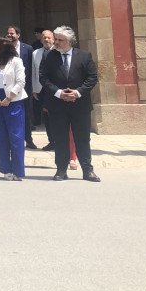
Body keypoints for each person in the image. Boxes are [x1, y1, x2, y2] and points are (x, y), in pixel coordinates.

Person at [40, 26, 100, 182]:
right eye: (56, 39)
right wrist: (59, 93)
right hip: (57, 105)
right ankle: (61, 170)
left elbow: (92, 78)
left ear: (70, 42)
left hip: (80, 105)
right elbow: (43, 78)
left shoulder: (84, 56)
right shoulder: (49, 56)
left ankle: (87, 170)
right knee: (60, 138)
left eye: (60, 40)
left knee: (83, 138)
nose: (56, 43)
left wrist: (77, 93)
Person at [0, 37, 28, 181]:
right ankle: (5, 169)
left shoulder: (16, 61)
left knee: (16, 136)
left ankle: (18, 170)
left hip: (13, 101)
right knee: (1, 136)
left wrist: (9, 97)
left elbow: (21, 82)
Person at [7, 25, 38, 150]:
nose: (9, 35)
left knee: (26, 113)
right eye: (8, 33)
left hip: (25, 87)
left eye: (12, 33)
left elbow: (32, 68)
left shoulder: (28, 48)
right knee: (10, 113)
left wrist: (33, 86)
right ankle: (12, 140)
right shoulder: (5, 48)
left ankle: (28, 139)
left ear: (18, 35)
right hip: (9, 87)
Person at [31, 30, 56, 150]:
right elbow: (34, 72)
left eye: (49, 38)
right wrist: (34, 89)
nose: (46, 40)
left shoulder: (59, 51)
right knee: (46, 116)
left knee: (57, 115)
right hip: (41, 89)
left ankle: (60, 141)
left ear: (53, 39)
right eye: (44, 38)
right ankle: (52, 141)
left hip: (56, 89)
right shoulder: (35, 53)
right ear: (41, 40)